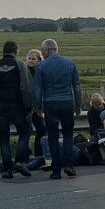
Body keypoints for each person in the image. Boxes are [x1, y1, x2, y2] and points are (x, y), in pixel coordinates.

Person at [33, 38, 82, 180]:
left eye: (42, 51)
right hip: (67, 102)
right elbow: (77, 86)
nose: (42, 54)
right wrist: (78, 105)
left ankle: (56, 170)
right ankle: (69, 165)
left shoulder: (42, 66)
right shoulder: (70, 63)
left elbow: (37, 89)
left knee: (53, 137)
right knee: (68, 135)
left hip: (50, 104)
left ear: (47, 50)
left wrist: (37, 107)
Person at [0, 41, 33, 179]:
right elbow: (26, 87)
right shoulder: (20, 65)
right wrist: (28, 106)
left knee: (4, 137)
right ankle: (19, 161)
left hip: (1, 107)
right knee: (25, 132)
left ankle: (7, 169)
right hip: (17, 106)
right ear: (16, 51)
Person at [24, 49, 51, 171]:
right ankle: (26, 157)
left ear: (39, 60)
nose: (30, 61)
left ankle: (39, 156)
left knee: (41, 130)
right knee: (26, 131)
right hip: (26, 107)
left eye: (33, 58)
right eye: (29, 58)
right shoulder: (24, 72)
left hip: (37, 107)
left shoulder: (41, 72)